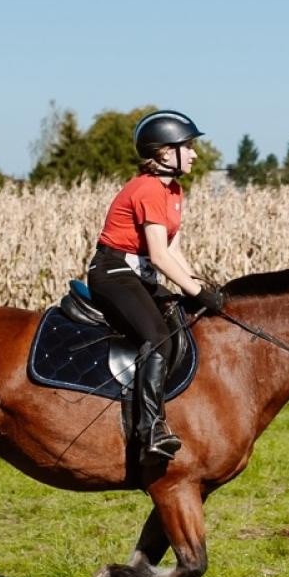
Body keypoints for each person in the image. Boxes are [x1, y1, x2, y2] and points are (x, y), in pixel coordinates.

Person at [86, 110, 225, 461]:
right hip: (113, 272)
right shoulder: (148, 189)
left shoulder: (173, 190)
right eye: (188, 146)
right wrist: (197, 292)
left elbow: (174, 250)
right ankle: (150, 430)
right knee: (158, 340)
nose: (194, 153)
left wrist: (200, 286)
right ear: (164, 153)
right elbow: (160, 257)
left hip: (139, 275)